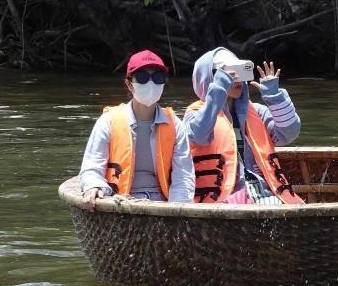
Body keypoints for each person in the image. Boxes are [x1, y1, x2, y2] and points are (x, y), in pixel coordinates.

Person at [184, 46, 304, 205]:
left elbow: (288, 134)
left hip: (262, 191)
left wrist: (274, 96)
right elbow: (199, 136)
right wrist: (218, 90)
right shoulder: (195, 113)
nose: (237, 79)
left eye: (240, 72)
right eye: (229, 73)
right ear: (211, 78)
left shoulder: (257, 111)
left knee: (284, 205)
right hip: (221, 197)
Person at [78, 50, 195, 207]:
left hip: (163, 204)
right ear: (129, 84)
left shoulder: (175, 125)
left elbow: (183, 176)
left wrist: (176, 210)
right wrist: (93, 186)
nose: (150, 84)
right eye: (142, 77)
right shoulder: (108, 121)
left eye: (158, 78)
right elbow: (92, 167)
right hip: (119, 201)